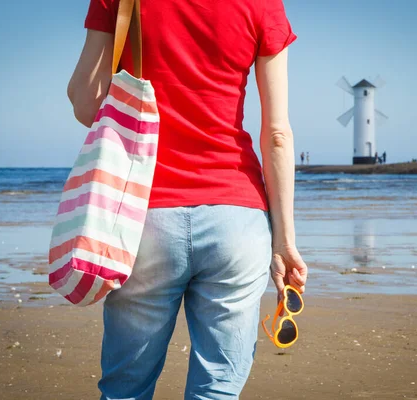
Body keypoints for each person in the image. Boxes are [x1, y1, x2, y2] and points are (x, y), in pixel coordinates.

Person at [67, 1, 308, 399]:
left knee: (125, 388)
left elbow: (85, 101)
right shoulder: (262, 5)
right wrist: (284, 242)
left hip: (144, 215)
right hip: (237, 218)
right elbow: (277, 133)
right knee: (217, 389)